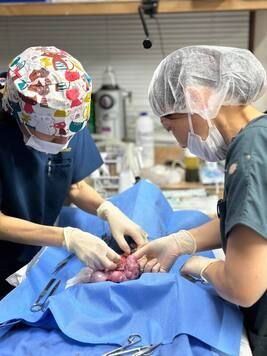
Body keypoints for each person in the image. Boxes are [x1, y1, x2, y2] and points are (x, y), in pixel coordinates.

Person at [134, 46, 267, 355]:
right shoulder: (260, 135)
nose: (180, 141)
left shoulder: (250, 154)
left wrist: (201, 268)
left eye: (172, 126)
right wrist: (181, 242)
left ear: (198, 98)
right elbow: (252, 217)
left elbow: (242, 288)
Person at [0, 46, 147, 298]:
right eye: (56, 133)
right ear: (21, 117)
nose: (65, 141)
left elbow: (74, 184)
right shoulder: (34, 109)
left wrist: (107, 209)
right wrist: (66, 236)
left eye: (72, 131)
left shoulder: (68, 107)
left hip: (34, 257)